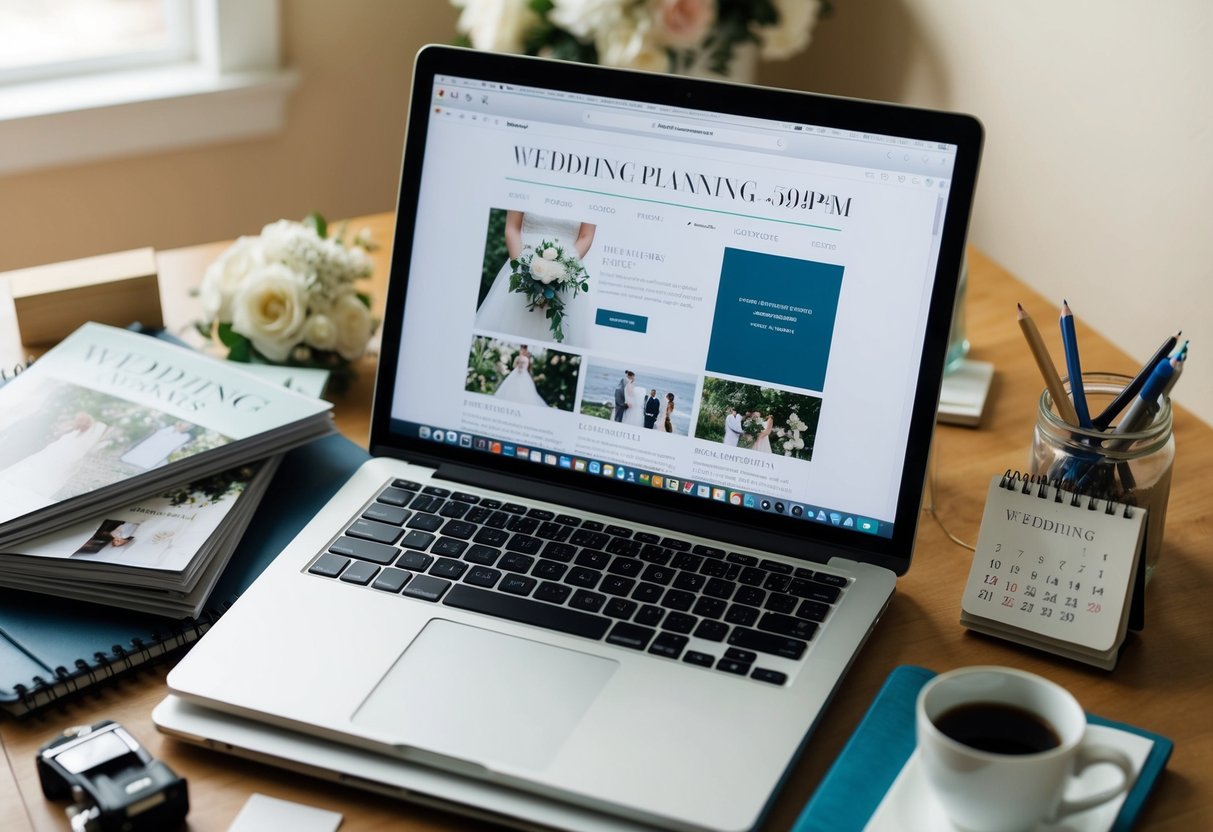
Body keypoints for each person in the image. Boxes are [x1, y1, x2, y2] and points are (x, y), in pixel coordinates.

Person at [475, 211, 596, 344]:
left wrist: (561, 271)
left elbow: (586, 236)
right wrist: (524, 271)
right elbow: (512, 228)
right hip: (523, 266)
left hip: (567, 275)